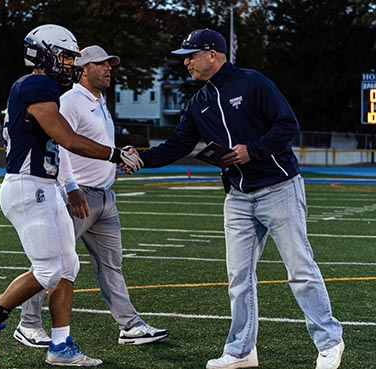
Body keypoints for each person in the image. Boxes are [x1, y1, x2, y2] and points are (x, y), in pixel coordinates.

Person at [136, 28, 344, 369]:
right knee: (238, 278)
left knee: (300, 270)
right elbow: (178, 144)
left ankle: (329, 341)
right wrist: (141, 159)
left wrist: (253, 151)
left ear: (213, 55)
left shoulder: (252, 82)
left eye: (190, 55)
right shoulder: (198, 102)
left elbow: (287, 124)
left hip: (279, 187)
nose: (185, 62)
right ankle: (241, 351)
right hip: (237, 196)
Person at [0, 24, 142, 367]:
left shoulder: (44, 87)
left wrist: (69, 184)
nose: (69, 64)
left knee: (68, 266)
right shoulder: (36, 83)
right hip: (26, 186)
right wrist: (114, 153)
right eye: (63, 56)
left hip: (44, 185)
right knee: (48, 271)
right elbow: (66, 138)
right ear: (42, 54)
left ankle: (61, 346)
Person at [13, 45, 168, 349]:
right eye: (101, 64)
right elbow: (61, 144)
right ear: (83, 69)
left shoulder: (99, 101)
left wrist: (115, 163)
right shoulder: (70, 100)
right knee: (50, 263)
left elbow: (96, 144)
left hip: (105, 197)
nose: (109, 68)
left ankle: (130, 326)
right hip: (79, 196)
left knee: (112, 265)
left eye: (110, 64)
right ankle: (28, 323)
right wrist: (71, 188)